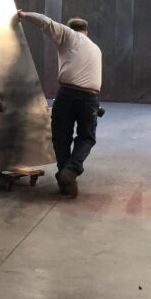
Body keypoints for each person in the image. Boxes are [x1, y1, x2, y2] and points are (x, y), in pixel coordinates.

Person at [17, 10, 102, 199]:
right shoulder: (95, 48)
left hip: (67, 92)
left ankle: (66, 171)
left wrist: (22, 14)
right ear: (86, 31)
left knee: (61, 136)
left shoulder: (68, 35)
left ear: (71, 28)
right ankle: (69, 173)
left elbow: (45, 22)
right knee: (87, 137)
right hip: (91, 97)